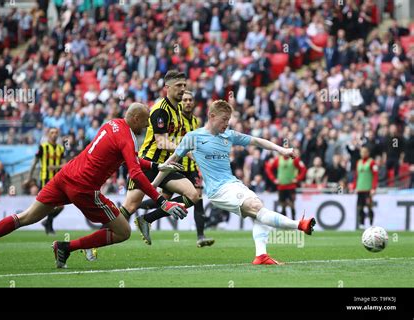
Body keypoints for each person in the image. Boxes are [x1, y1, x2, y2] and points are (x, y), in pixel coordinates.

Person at [0, 103, 187, 269]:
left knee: (26, 216)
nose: (147, 126)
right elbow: (135, 173)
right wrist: (162, 202)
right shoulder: (127, 137)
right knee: (123, 231)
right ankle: (66, 247)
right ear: (136, 118)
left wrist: (159, 166)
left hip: (65, 176)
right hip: (84, 188)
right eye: (146, 121)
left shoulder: (112, 125)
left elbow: (131, 160)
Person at [153, 100, 316, 265]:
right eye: (224, 119)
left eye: (228, 119)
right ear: (212, 116)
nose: (226, 123)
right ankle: (300, 225)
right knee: (256, 207)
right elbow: (170, 163)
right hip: (218, 190)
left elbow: (257, 141)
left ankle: (261, 256)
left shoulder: (229, 135)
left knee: (257, 209)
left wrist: (282, 150)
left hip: (233, 183)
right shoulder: (193, 137)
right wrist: (152, 187)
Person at [121, 71, 200, 245]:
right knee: (130, 207)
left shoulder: (178, 109)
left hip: (166, 167)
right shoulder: (160, 111)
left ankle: (146, 219)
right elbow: (162, 142)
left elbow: (175, 139)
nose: (182, 89)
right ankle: (94, 243)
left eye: (184, 85)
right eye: (178, 86)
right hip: (148, 165)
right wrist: (186, 151)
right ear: (167, 88)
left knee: (193, 195)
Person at [138, 91, 214, 247]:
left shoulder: (195, 121)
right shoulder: (173, 118)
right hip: (175, 164)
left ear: (194, 103)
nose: (187, 102)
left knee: (197, 198)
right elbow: (164, 141)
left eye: (190, 100)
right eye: (184, 100)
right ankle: (137, 207)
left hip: (191, 167)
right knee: (163, 199)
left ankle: (200, 236)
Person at [28, 127, 65, 235]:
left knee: (60, 206)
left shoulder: (61, 148)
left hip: (57, 180)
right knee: (50, 204)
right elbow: (34, 162)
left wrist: (55, 167)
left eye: (56, 133)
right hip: (45, 179)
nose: (54, 134)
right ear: (48, 135)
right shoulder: (43, 147)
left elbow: (64, 164)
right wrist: (29, 177)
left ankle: (47, 222)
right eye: (52, 133)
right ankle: (49, 226)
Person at [265, 150, 306, 219]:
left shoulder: (294, 159)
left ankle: (294, 221)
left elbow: (303, 169)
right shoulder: (278, 159)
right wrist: (273, 179)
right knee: (283, 204)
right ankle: (285, 222)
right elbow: (268, 168)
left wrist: (298, 179)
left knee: (292, 204)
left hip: (291, 186)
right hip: (281, 186)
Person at [354, 146, 378, 229]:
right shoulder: (358, 162)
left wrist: (373, 188)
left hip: (368, 189)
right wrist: (355, 186)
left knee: (369, 206)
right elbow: (356, 175)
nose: (363, 154)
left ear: (368, 153)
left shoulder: (372, 162)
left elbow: (375, 176)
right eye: (361, 152)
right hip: (360, 188)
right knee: (360, 207)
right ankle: (362, 224)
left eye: (365, 152)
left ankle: (371, 223)